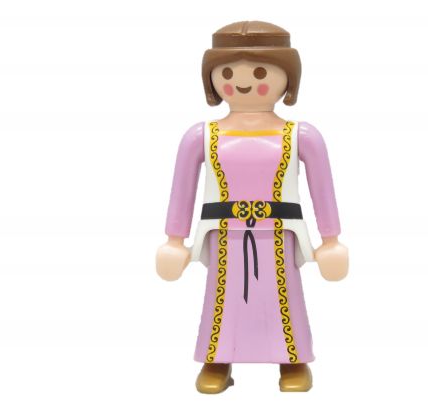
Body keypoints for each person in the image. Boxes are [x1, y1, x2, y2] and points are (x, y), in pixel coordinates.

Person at [156, 21, 348, 393]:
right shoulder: (202, 136)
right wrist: (174, 240)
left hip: (280, 235)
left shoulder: (300, 136)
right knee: (222, 299)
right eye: (227, 73)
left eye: (260, 72)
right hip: (222, 237)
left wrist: (331, 240)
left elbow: (323, 188)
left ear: (287, 77)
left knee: (283, 298)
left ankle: (292, 359)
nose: (242, 82)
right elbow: (182, 189)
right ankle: (217, 358)